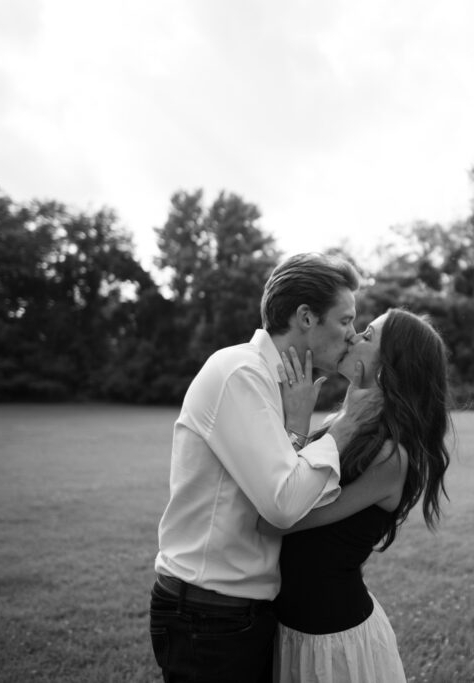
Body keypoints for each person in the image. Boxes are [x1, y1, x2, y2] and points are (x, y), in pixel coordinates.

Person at [149, 253, 383, 683]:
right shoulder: (240, 373)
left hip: (245, 612)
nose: (352, 334)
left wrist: (297, 427)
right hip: (209, 615)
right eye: (346, 319)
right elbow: (282, 505)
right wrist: (350, 421)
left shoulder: (283, 388)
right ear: (307, 317)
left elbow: (283, 482)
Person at [259, 308, 452, 683]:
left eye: (367, 335)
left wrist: (297, 424)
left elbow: (276, 519)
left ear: (390, 365)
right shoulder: (343, 425)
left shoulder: (389, 456)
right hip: (294, 628)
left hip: (332, 643)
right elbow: (286, 487)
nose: (352, 337)